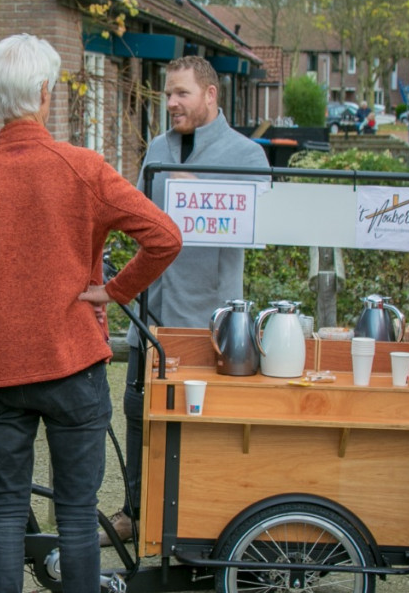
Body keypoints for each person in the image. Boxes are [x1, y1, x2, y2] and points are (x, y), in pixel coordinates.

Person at [0, 33, 182, 592]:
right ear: (44, 94)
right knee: (77, 514)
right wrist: (114, 291)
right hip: (73, 363)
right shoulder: (82, 167)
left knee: (5, 511)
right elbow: (165, 237)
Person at [107, 55, 270, 544]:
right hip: (150, 315)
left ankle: (200, 523)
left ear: (210, 95)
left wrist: (203, 195)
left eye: (181, 93)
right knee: (137, 413)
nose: (172, 103)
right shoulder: (158, 148)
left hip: (206, 322)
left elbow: (259, 228)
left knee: (200, 425)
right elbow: (138, 215)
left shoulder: (247, 155)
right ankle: (134, 513)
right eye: (167, 95)